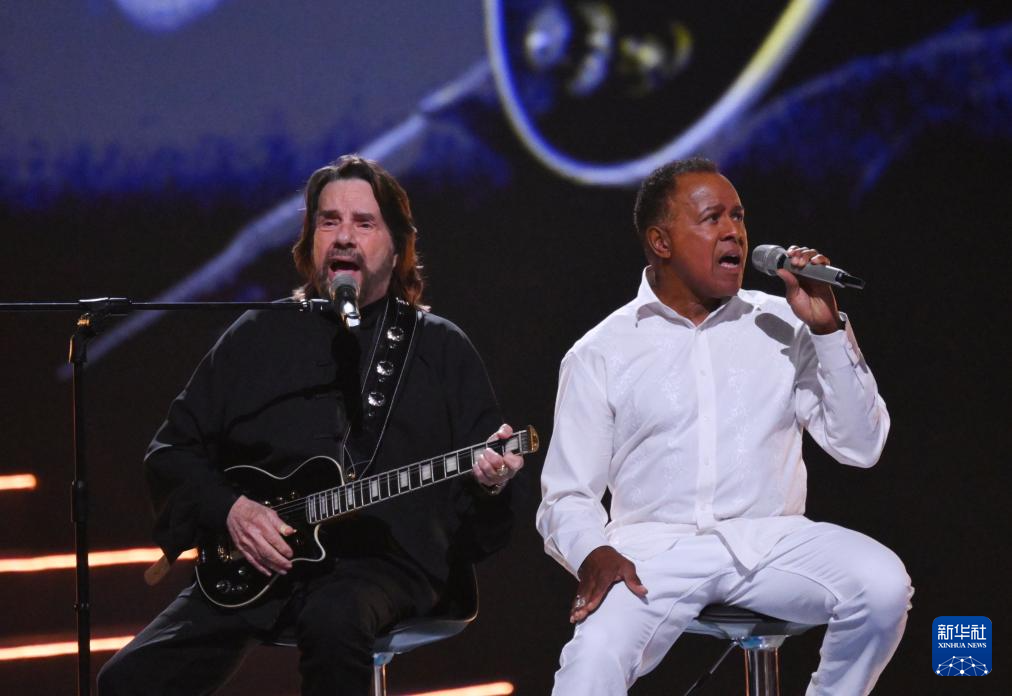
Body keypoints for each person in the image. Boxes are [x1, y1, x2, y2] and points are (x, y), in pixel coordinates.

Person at [98, 155, 524, 696]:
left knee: (333, 618)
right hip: (256, 566)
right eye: (329, 221)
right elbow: (172, 451)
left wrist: (492, 482)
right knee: (125, 681)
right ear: (309, 241)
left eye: (364, 223)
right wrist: (232, 510)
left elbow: (487, 502)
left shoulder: (440, 347)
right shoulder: (257, 334)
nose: (344, 237)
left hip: (384, 567)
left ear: (397, 247)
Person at [536, 157, 911, 695]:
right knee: (591, 662)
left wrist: (829, 330)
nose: (734, 231)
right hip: (652, 554)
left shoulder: (785, 322)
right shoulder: (600, 351)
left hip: (771, 540)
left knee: (883, 586)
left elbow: (862, 445)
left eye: (738, 217)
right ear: (661, 241)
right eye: (713, 218)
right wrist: (593, 552)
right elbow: (567, 495)